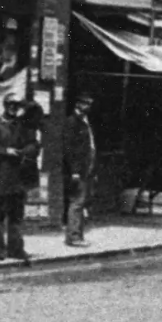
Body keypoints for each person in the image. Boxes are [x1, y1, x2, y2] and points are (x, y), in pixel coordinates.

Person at [0, 93, 37, 262]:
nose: (13, 108)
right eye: (10, 105)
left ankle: (16, 249)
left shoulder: (23, 125)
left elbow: (34, 144)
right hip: (1, 177)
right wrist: (5, 151)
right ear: (5, 106)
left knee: (16, 215)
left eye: (16, 106)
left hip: (18, 177)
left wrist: (25, 151)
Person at [63, 91, 96, 247]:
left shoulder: (85, 121)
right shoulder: (72, 122)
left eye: (89, 104)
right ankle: (73, 237)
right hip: (78, 171)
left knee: (82, 202)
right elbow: (70, 149)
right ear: (77, 104)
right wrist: (74, 171)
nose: (87, 106)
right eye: (85, 103)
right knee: (77, 202)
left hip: (86, 168)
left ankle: (78, 235)